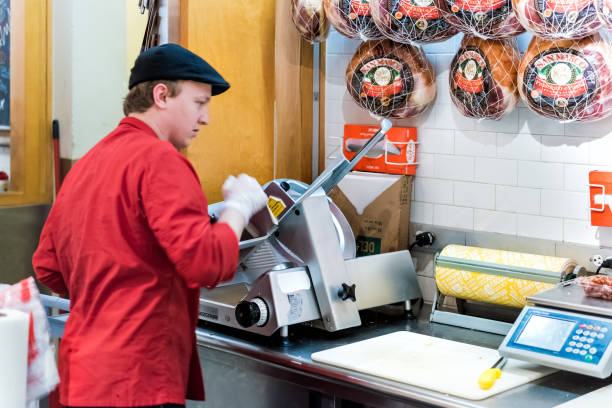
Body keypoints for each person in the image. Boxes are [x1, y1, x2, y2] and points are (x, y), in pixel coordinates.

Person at [32, 44, 268, 408]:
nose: (205, 118)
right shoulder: (161, 160)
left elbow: (47, 265)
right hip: (136, 381)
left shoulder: (89, 162)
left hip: (80, 375)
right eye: (199, 102)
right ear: (161, 95)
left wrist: (106, 295)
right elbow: (208, 264)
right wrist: (238, 207)